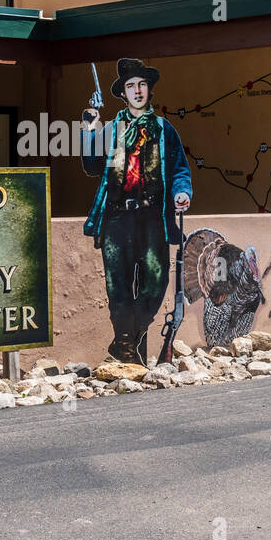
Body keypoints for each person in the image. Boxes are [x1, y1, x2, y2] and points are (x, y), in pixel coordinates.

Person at [82, 58, 191, 365]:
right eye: (131, 86)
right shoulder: (113, 128)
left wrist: (182, 192)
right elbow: (91, 166)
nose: (138, 90)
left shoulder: (162, 129)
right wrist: (89, 128)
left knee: (157, 281)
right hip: (117, 217)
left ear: (149, 89)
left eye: (142, 84)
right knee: (117, 285)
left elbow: (180, 167)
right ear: (124, 94)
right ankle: (127, 344)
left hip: (151, 215)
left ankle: (128, 336)